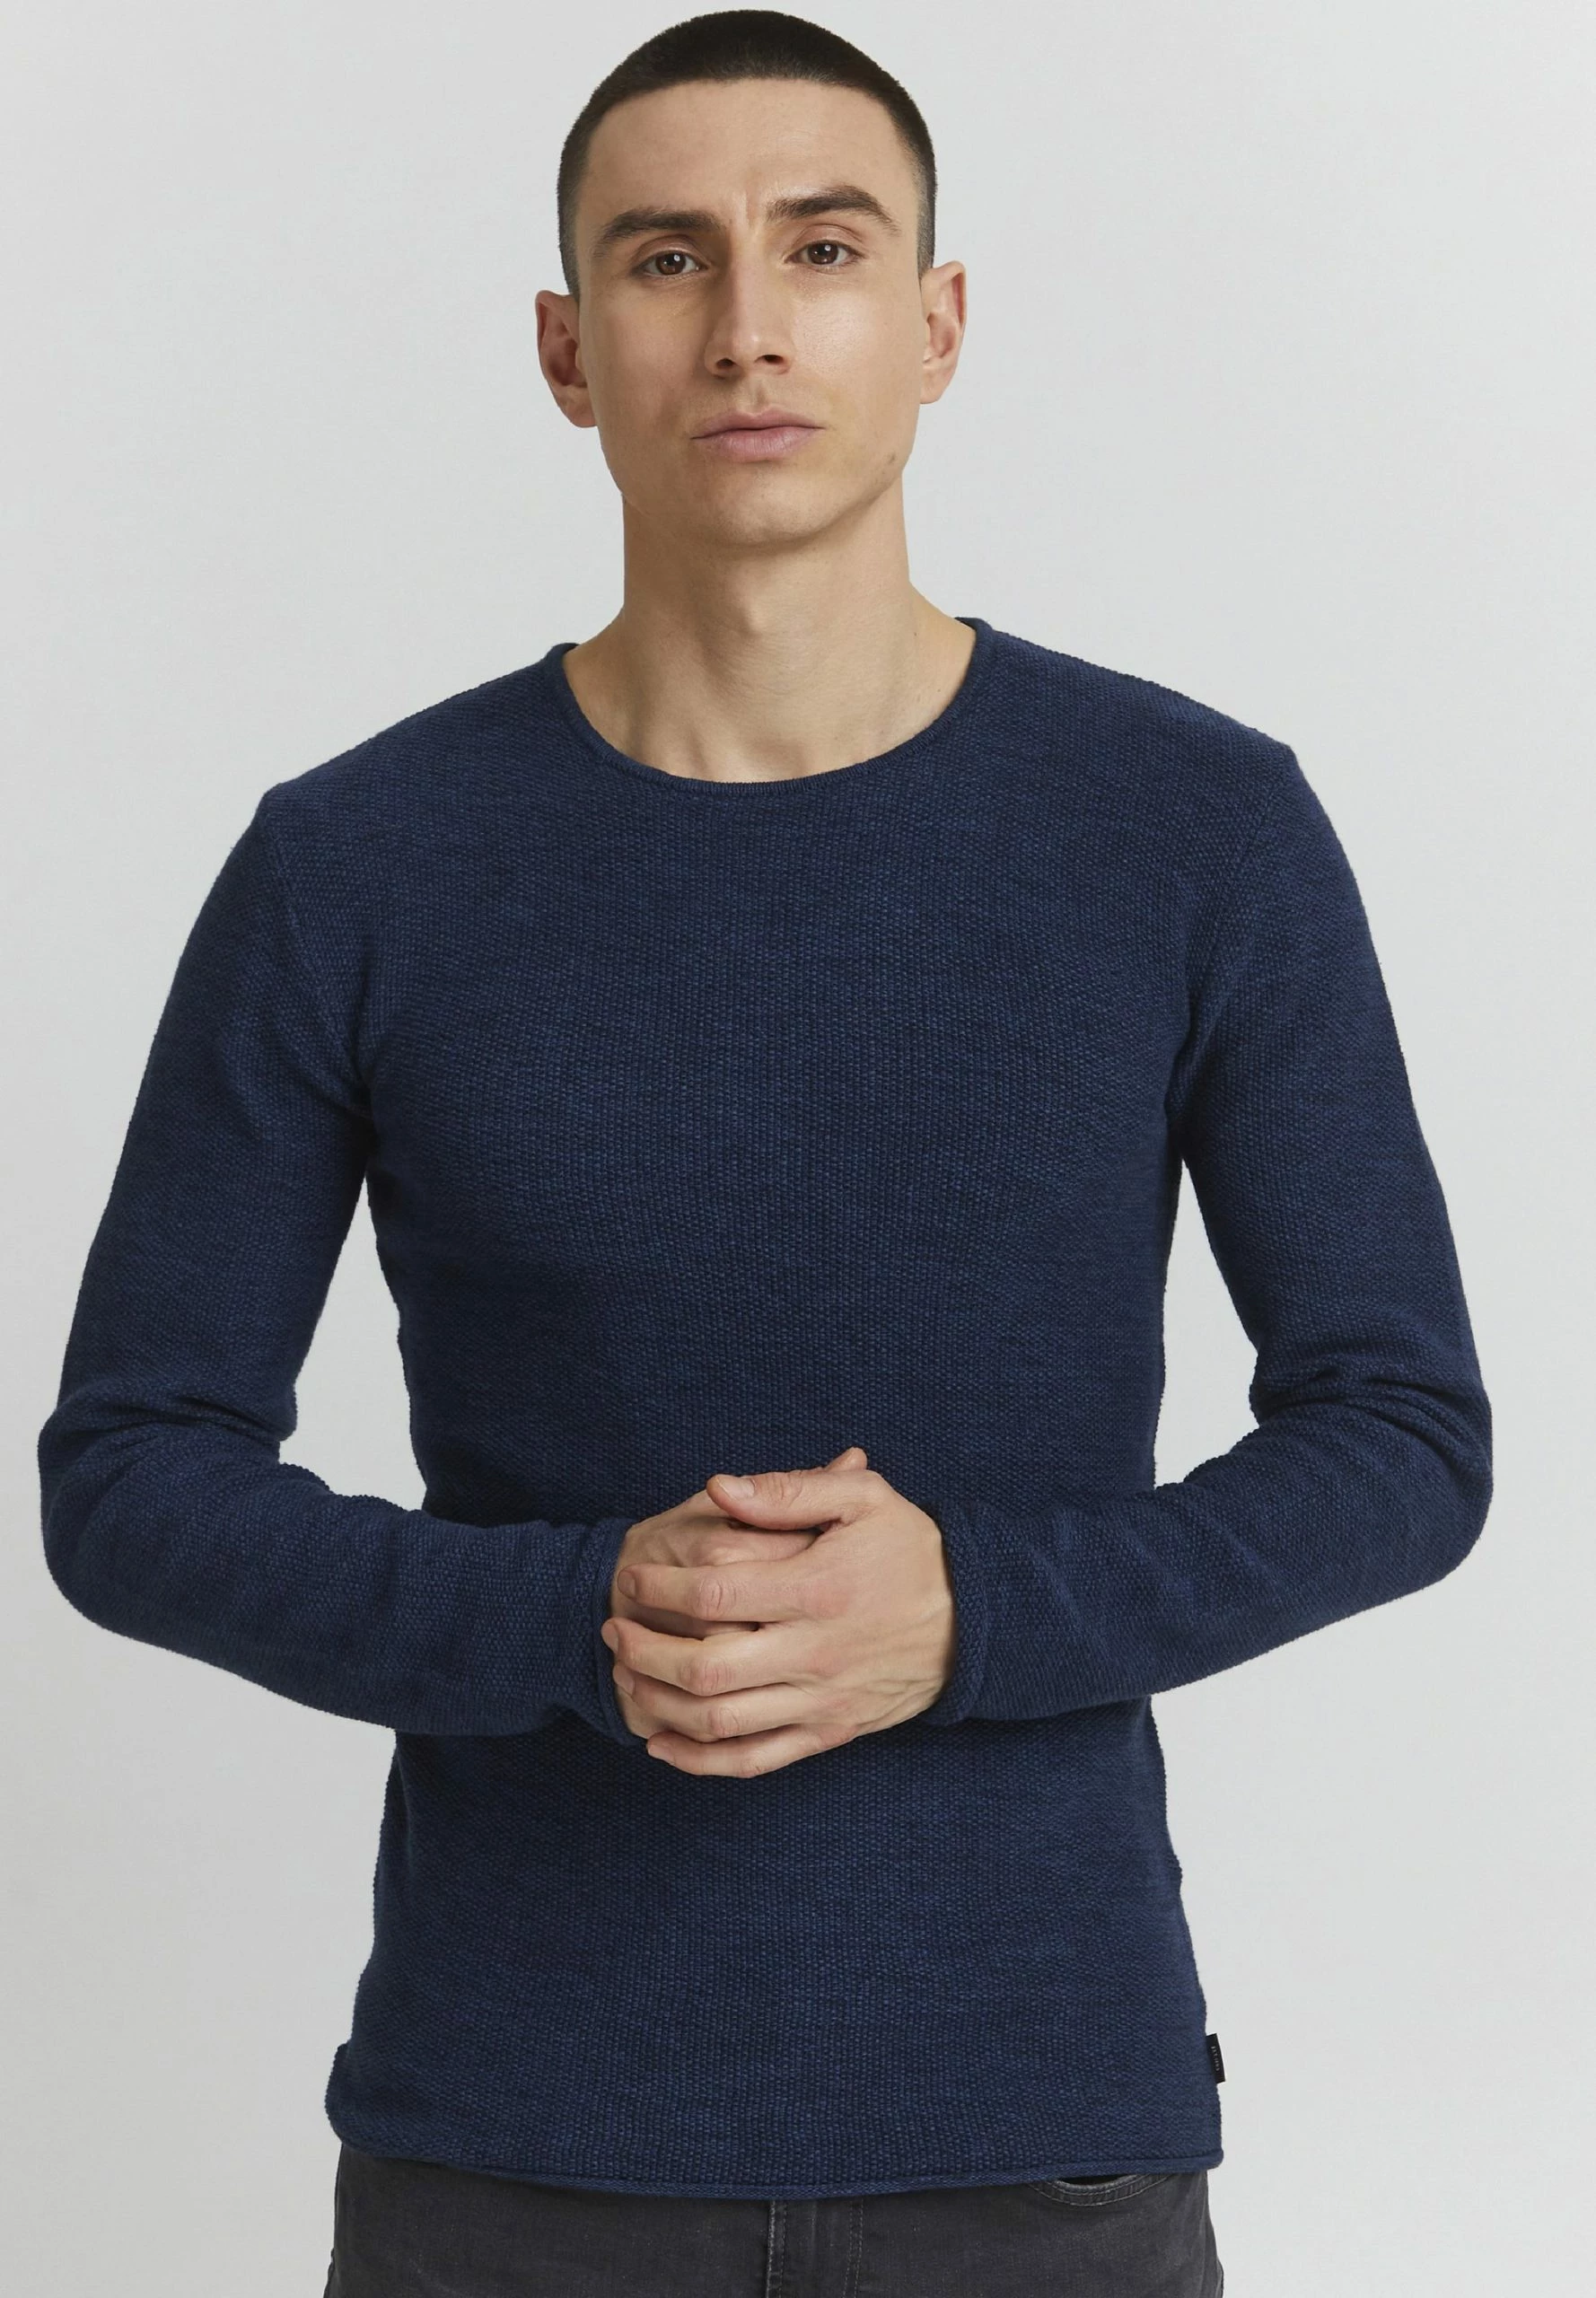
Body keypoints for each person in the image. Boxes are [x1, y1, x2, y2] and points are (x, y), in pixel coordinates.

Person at [38, 11, 1493, 2295]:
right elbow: (131, 1470)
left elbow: (1401, 1433)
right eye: (664, 258)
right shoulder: (357, 865)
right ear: (566, 347)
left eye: (821, 247)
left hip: (1036, 2129)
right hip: (512, 2143)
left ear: (936, 324)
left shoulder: (1195, 829)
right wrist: (577, 1611)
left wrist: (971, 1610)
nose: (745, 326)